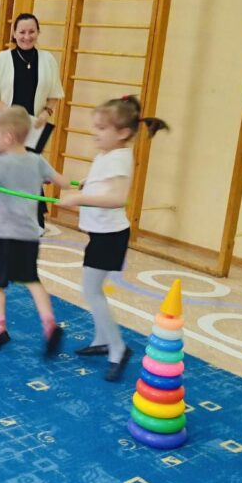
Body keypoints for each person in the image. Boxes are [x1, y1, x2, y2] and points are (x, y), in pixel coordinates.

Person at [59, 95, 169, 382]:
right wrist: (88, 184)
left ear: (122, 133)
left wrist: (79, 198)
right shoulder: (107, 154)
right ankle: (101, 340)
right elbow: (103, 183)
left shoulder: (120, 157)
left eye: (101, 128)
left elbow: (118, 198)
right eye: (95, 126)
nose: (94, 132)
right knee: (92, 289)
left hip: (110, 237)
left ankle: (118, 349)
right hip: (101, 234)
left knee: (91, 291)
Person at [0, 106, 73, 354]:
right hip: (28, 234)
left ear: (8, 137)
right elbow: (64, 183)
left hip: (1, 234)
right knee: (32, 280)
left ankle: (0, 330)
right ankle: (50, 325)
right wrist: (84, 184)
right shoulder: (37, 160)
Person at [0, 12, 64, 228]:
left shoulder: (48, 60)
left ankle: (35, 221)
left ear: (38, 33)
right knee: (5, 172)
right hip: (4, 128)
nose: (27, 36)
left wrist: (46, 113)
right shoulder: (1, 59)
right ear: (14, 34)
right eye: (22, 32)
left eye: (31, 31)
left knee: (30, 173)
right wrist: (10, 114)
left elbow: (55, 94)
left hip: (33, 128)